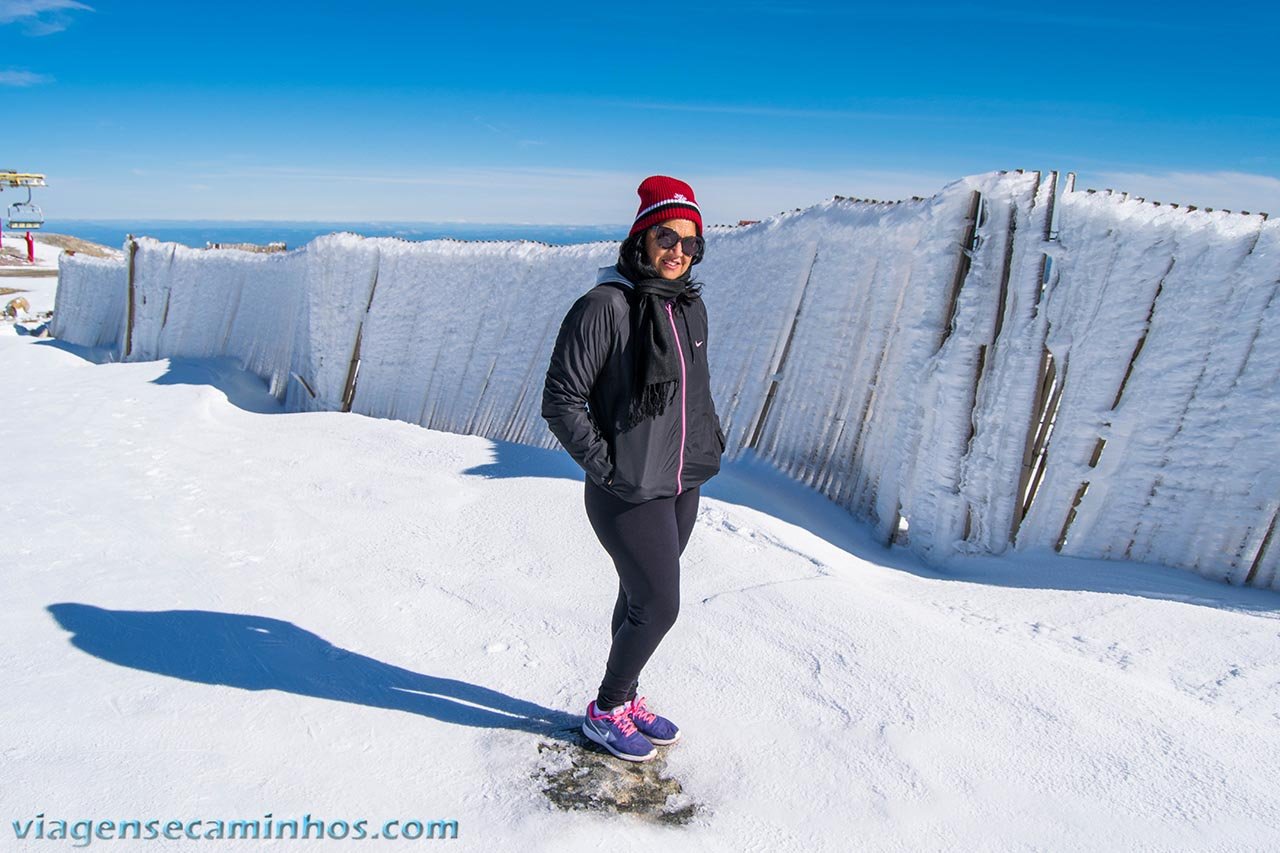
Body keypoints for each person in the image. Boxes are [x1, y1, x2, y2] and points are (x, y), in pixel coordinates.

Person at [542, 176, 726, 761]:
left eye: (690, 243)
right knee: (661, 605)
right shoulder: (606, 306)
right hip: (627, 488)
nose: (677, 252)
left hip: (680, 483)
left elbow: (693, 394)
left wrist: (706, 443)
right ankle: (606, 708)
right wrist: (608, 467)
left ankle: (627, 700)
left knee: (639, 598)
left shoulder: (686, 306)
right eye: (666, 238)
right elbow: (562, 399)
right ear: (641, 239)